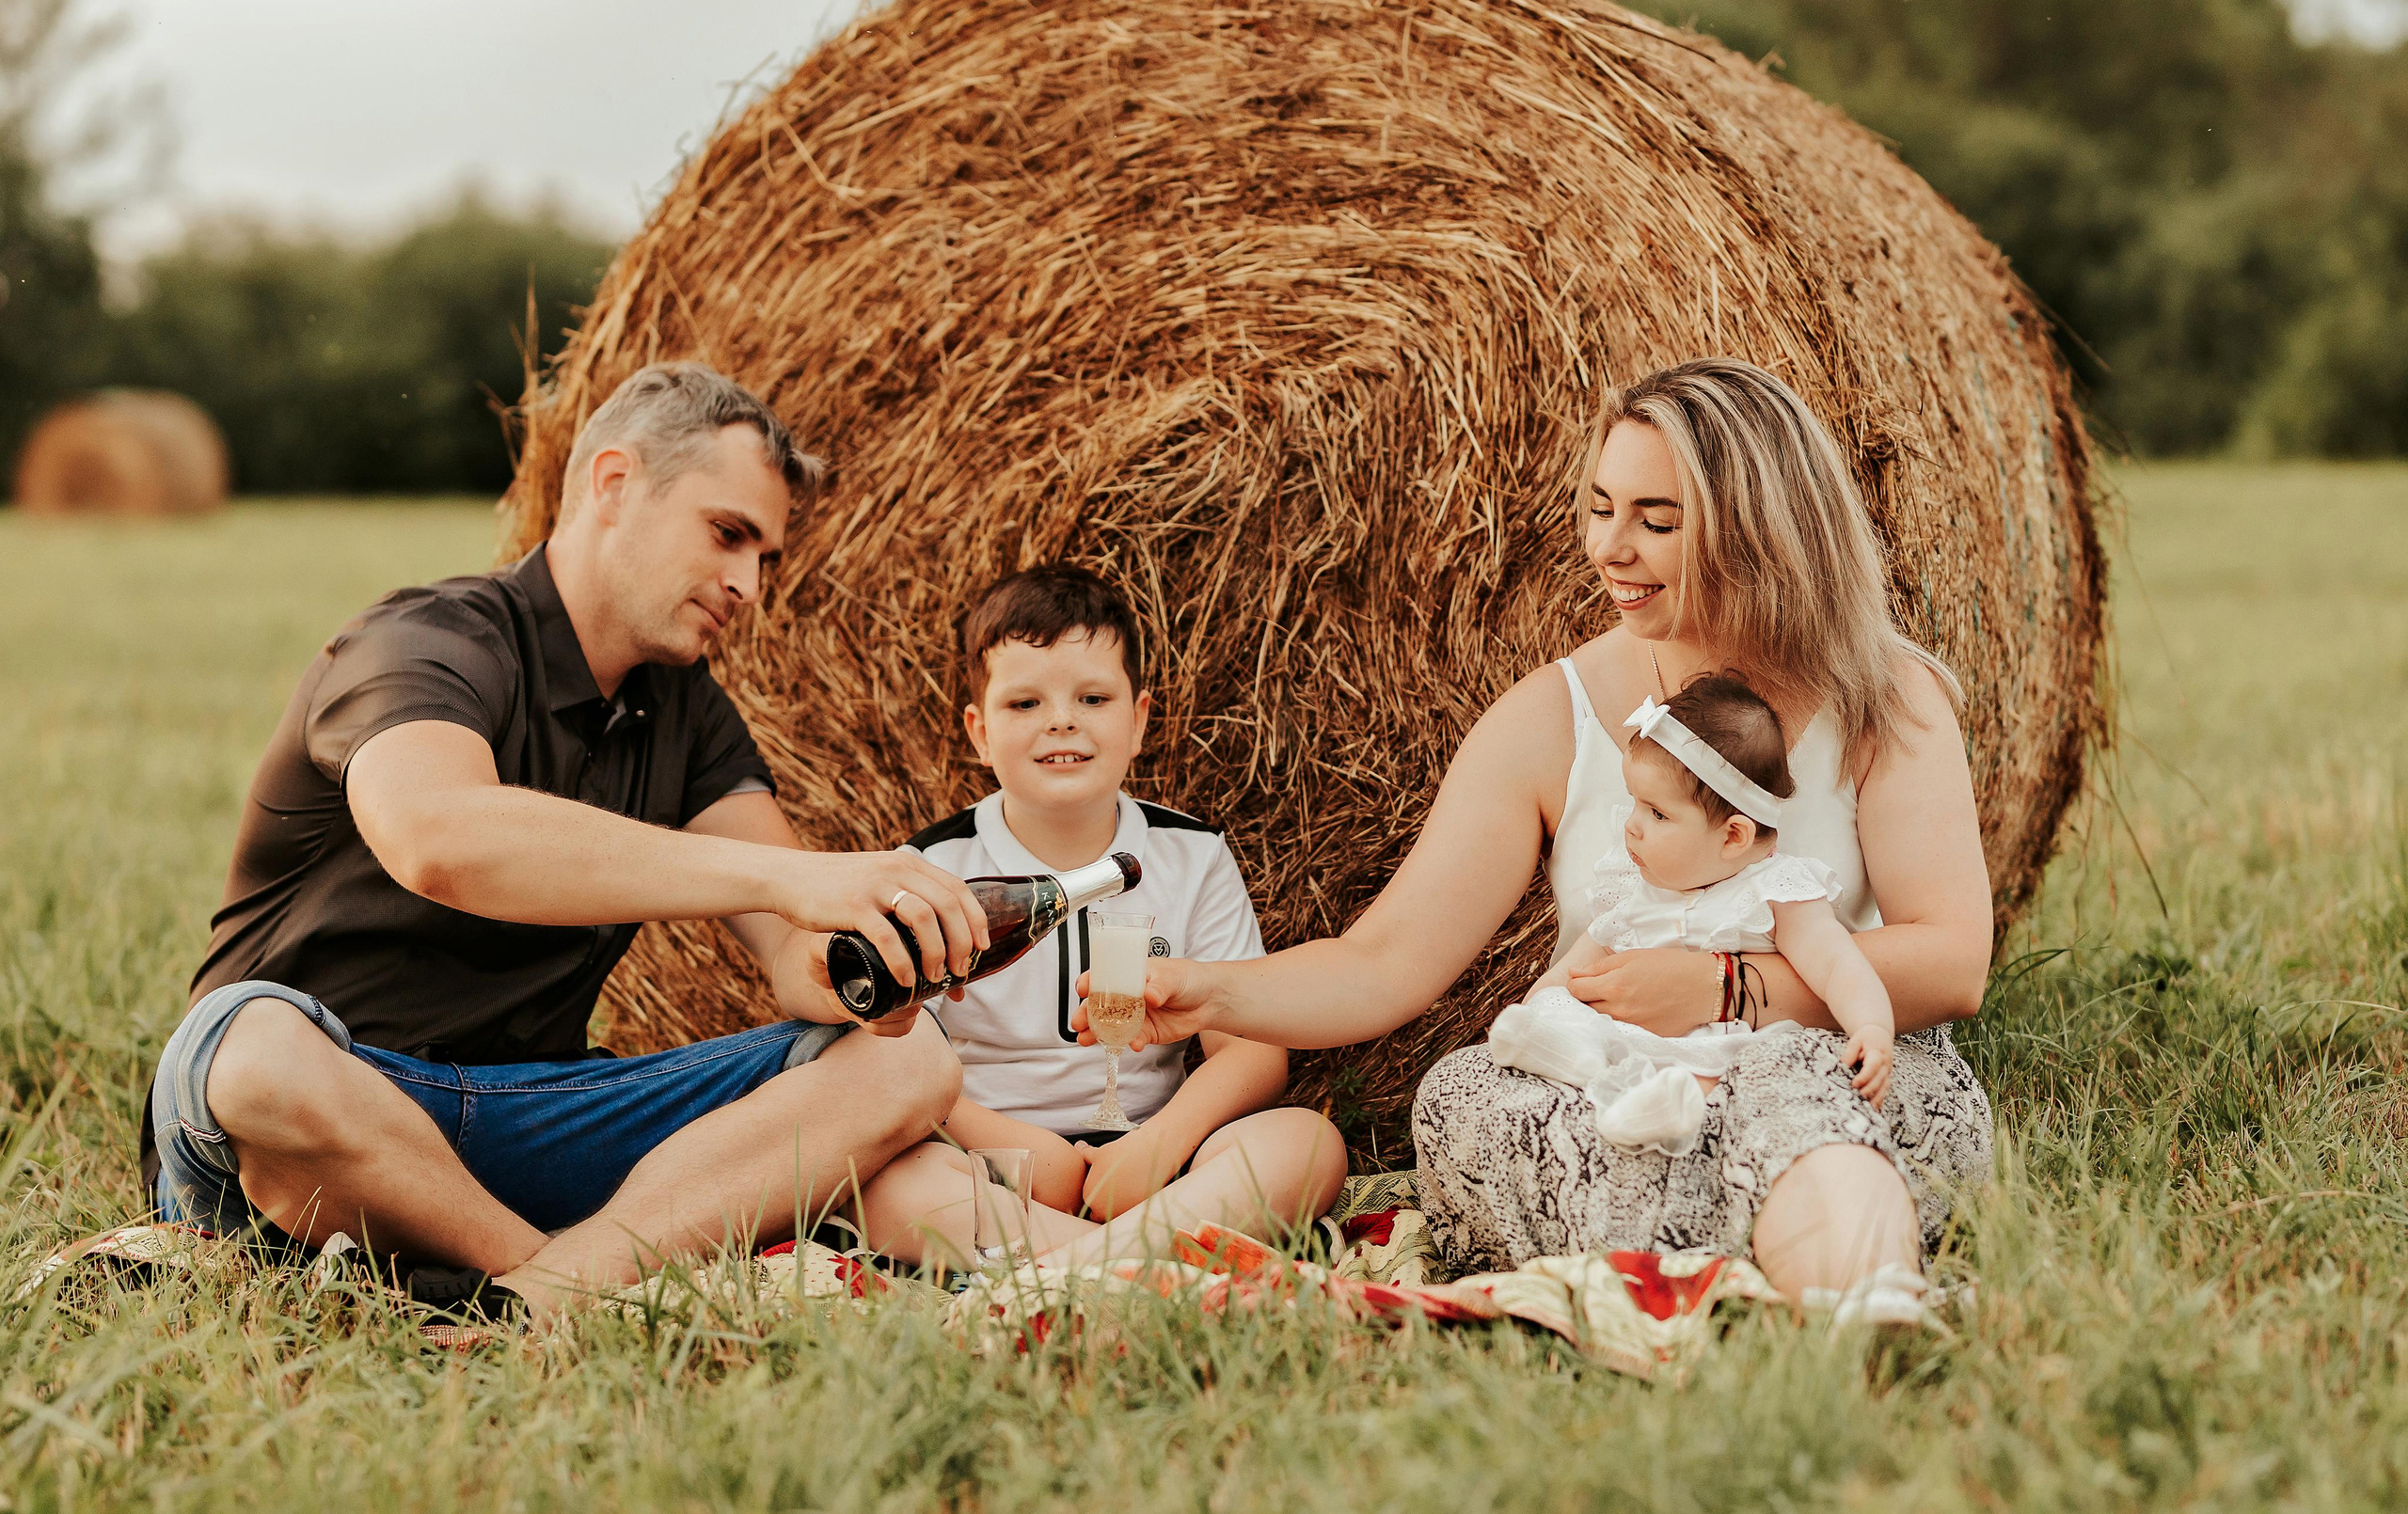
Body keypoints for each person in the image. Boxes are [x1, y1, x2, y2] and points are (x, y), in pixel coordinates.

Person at [1085, 357, 1995, 1308]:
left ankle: (1838, 1281)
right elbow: (1383, 962)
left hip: (1821, 1068)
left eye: (1656, 521)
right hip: (1618, 1093)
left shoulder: (1885, 697)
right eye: (1601, 507)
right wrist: (1207, 995)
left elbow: (1951, 960)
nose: (1610, 548)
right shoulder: (1553, 716)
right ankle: (1792, 1235)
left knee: (1791, 1083)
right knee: (1464, 1095)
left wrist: (1727, 988)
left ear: (1758, 529)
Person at [144, 361, 992, 1323]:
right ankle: (573, 1283)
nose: (749, 585)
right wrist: (796, 875)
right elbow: (439, 838)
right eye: (728, 536)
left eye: (765, 558)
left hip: (537, 1114)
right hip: (328, 1110)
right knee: (251, 1052)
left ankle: (533, 1299)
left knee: (910, 1064)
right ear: (613, 483)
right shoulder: (425, 640)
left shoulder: (689, 715)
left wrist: (879, 964)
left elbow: (794, 954)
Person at [848, 566, 1346, 1268]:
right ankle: (1134, 1266)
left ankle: (1060, 1269)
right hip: (991, 1164)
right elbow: (890, 1060)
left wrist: (1162, 1143)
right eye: (1024, 703)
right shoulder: (929, 869)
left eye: (1092, 696)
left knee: (1307, 1143)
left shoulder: (1192, 855)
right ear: (979, 731)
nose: (1062, 719)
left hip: (1160, 1160)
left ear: (1139, 720)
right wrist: (1019, 1148)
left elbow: (1253, 1051)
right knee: (883, 1184)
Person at [1529, 670, 1894, 1113]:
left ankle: (1668, 1109)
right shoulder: (1635, 890)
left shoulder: (1775, 893)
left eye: (1658, 814)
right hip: (1633, 1043)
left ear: (1733, 837)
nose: (1631, 825)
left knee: (1743, 1076)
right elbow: (1574, 971)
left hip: (1727, 1055)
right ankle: (1584, 1070)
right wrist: (1538, 1009)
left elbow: (1838, 965)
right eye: (1635, 803)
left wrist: (1871, 1026)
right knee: (1561, 1017)